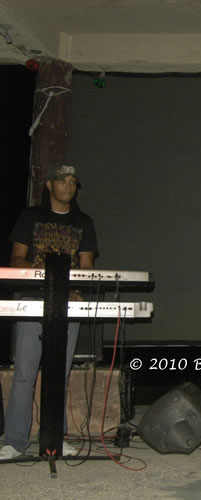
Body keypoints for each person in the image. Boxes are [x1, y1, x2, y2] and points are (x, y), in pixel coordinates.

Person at [0, 165, 98, 460]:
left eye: (73, 182)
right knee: (24, 375)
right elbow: (16, 258)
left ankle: (56, 437)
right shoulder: (31, 216)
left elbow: (88, 267)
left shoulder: (84, 221)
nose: (69, 186)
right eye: (63, 181)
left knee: (59, 374)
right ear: (49, 185)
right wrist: (34, 268)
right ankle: (15, 441)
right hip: (33, 300)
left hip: (68, 303)